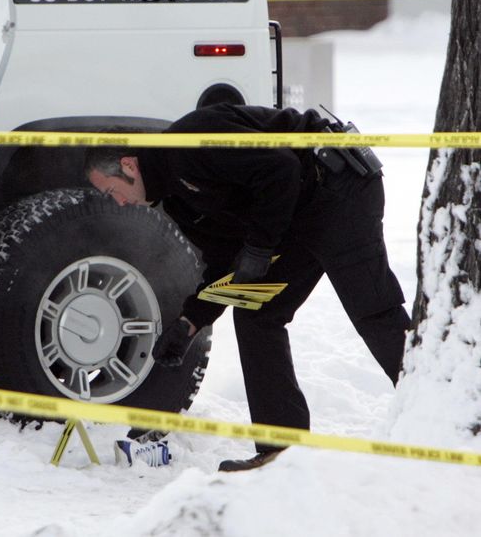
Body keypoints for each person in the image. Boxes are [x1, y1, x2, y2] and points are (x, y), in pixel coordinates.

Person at [84, 103, 411, 472]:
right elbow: (226, 261)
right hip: (297, 214)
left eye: (111, 190)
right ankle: (282, 451)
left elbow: (281, 169)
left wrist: (258, 248)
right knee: (257, 312)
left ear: (128, 165)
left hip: (337, 187)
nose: (119, 202)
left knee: (373, 310)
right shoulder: (176, 200)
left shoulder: (189, 144)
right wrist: (190, 321)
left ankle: (443, 420)